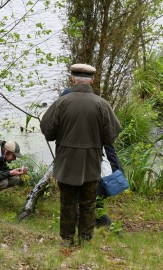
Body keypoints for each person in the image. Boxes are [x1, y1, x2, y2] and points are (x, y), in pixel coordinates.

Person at [40, 64, 121, 246]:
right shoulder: (102, 104)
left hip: (67, 162)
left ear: (73, 79)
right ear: (91, 80)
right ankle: (85, 240)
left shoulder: (61, 103)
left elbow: (48, 132)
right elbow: (111, 136)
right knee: (88, 202)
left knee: (67, 202)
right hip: (91, 162)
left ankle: (67, 240)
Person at [60, 89, 125, 228]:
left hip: (102, 176)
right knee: (93, 206)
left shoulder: (85, 127)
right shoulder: (91, 118)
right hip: (105, 174)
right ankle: (103, 230)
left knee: (91, 207)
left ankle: (110, 230)